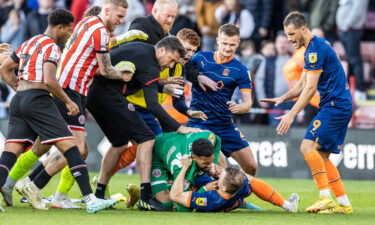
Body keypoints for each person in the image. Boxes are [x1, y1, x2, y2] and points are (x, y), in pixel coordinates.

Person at [2, 0, 132, 209]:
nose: (121, 20)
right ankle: (38, 187)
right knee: (76, 148)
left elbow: (87, 56)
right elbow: (106, 69)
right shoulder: (96, 32)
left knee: (46, 144)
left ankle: (19, 185)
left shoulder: (85, 24)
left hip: (63, 87)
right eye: (119, 16)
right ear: (106, 10)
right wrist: (123, 75)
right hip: (70, 89)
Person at [87, 36, 200, 211]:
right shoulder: (151, 65)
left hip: (93, 94)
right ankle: (145, 197)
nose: (170, 66)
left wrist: (162, 86)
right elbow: (153, 105)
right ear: (162, 50)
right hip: (108, 96)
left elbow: (138, 80)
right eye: (171, 60)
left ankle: (99, 194)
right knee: (147, 138)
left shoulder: (142, 49)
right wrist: (180, 127)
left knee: (119, 144)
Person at [261, 11, 354, 214]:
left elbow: (310, 89)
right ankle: (344, 203)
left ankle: (324, 197)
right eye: (287, 35)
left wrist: (292, 113)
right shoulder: (314, 47)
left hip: (334, 106)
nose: (289, 39)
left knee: (306, 146)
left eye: (292, 33)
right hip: (339, 105)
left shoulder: (314, 50)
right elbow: (301, 84)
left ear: (303, 28)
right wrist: (282, 99)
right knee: (322, 155)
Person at [187, 24, 257, 176]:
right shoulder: (200, 58)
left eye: (232, 44)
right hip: (200, 121)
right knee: (220, 163)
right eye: (224, 43)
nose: (227, 48)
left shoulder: (241, 70)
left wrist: (240, 107)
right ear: (218, 40)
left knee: (251, 166)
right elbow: (184, 67)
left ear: (238, 43)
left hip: (224, 124)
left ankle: (238, 195)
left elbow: (248, 103)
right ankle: (224, 195)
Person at [170, 156, 299, 213]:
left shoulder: (210, 200)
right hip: (233, 201)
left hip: (204, 195)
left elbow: (175, 195)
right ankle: (286, 205)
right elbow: (248, 180)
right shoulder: (241, 186)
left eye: (220, 177)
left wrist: (184, 168)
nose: (218, 174)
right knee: (249, 179)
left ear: (223, 187)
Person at [150, 131, 221, 211]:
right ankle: (147, 195)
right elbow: (183, 207)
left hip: (174, 140)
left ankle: (172, 186)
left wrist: (214, 164)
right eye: (205, 163)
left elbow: (218, 139)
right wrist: (204, 189)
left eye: (211, 161)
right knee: (166, 205)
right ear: (193, 158)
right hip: (155, 154)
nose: (210, 165)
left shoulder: (209, 138)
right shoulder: (180, 166)